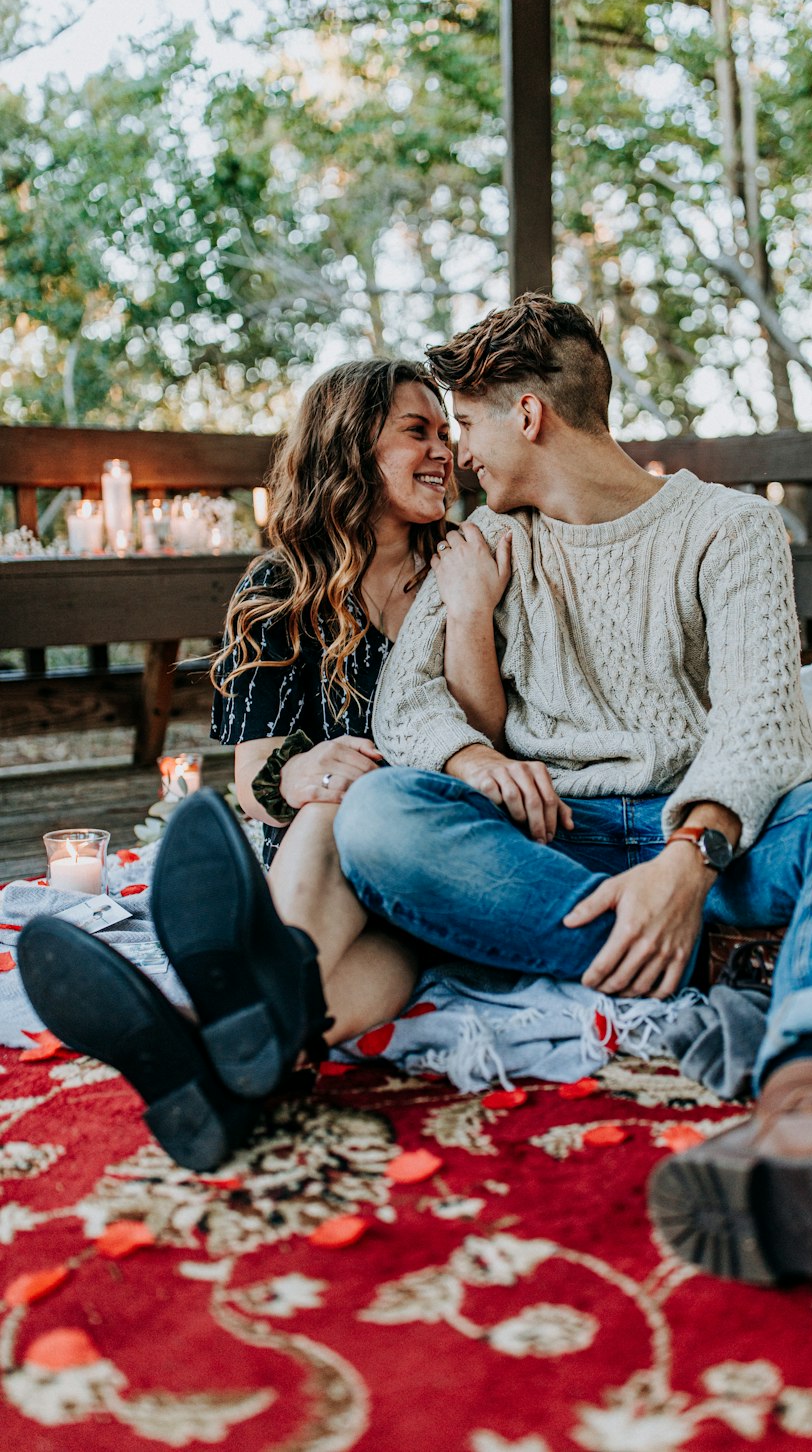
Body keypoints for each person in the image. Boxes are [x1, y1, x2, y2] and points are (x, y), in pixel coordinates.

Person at [330, 294, 812, 1311]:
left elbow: (762, 722)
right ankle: (733, 963)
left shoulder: (729, 530)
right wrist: (471, 761)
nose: (458, 453)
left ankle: (811, 1101)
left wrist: (689, 858)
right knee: (381, 816)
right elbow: (405, 706)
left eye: (463, 424)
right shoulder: (483, 541)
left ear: (528, 415)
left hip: (715, 842)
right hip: (551, 843)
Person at [18, 357, 512, 1172]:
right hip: (321, 867)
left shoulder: (468, 561)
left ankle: (197, 1049)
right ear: (352, 449)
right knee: (330, 818)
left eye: (447, 435)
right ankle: (248, 1061)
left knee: (395, 905)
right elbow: (253, 779)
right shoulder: (281, 588)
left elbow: (483, 730)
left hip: (432, 848)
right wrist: (307, 767)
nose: (445, 454)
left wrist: (469, 612)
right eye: (416, 433)